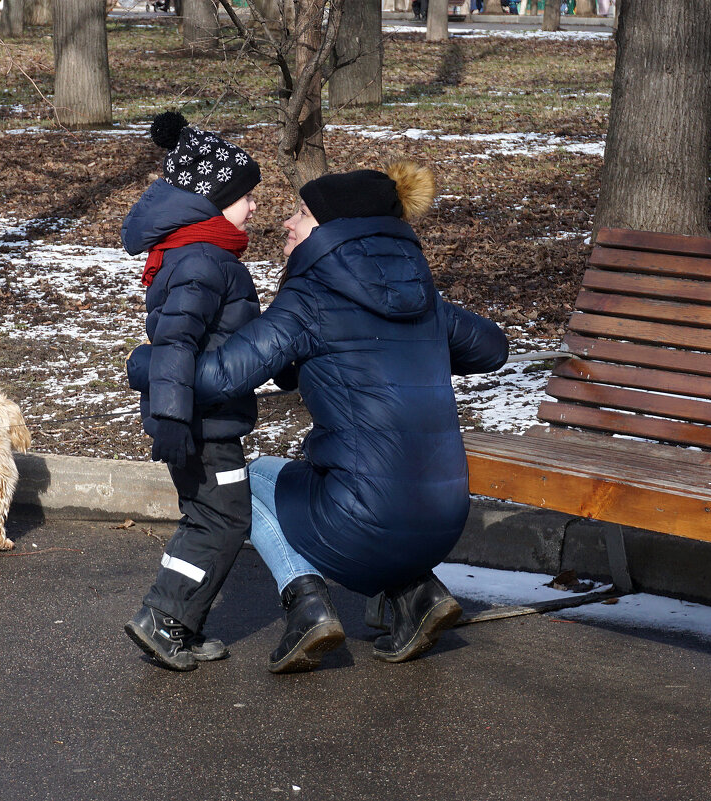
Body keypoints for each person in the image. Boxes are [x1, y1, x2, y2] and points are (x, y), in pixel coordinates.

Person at [130, 162, 509, 673]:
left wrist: (147, 363)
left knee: (255, 477)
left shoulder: (310, 298)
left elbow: (221, 376)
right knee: (360, 485)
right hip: (445, 517)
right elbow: (492, 349)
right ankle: (416, 592)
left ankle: (306, 602)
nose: (287, 222)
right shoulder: (424, 298)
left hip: (363, 521)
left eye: (302, 213)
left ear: (333, 228)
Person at [119, 110, 263, 672]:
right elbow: (176, 341)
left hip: (203, 417)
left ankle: (179, 623)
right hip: (204, 425)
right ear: (212, 199)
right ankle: (164, 619)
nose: (253, 207)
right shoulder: (204, 259)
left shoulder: (197, 252)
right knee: (223, 520)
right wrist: (174, 421)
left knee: (207, 518)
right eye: (245, 196)